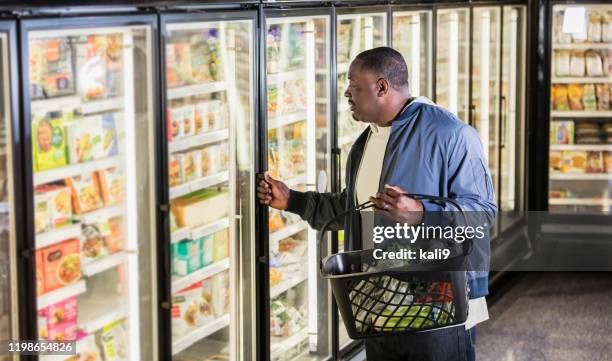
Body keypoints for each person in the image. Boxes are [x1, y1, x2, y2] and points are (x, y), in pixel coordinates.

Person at [257, 46, 497, 361]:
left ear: (381, 87)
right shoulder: (365, 142)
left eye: (354, 86)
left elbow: (483, 214)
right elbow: (354, 210)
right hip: (378, 305)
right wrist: (293, 200)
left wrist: (421, 214)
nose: (346, 93)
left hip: (440, 307)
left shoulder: (450, 134)